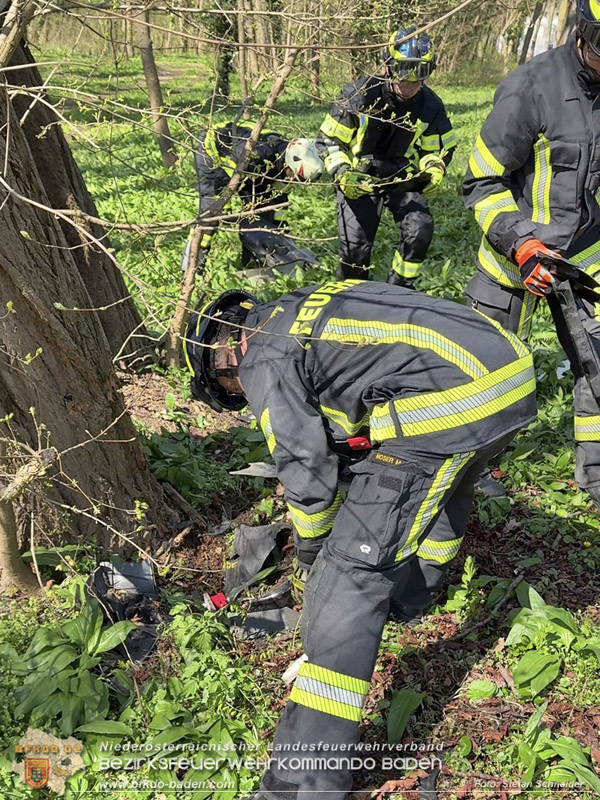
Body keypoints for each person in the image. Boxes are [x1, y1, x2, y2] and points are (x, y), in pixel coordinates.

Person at [184, 279, 536, 799]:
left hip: (455, 400)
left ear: (224, 367)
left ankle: (306, 778)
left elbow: (307, 472)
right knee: (447, 486)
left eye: (235, 396)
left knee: (349, 577)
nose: (244, 398)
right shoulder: (296, 309)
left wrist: (313, 551)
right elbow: (349, 399)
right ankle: (412, 598)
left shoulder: (260, 358)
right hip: (508, 373)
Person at [463, 0, 600, 506]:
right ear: (583, 36)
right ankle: (472, 475)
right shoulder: (530, 87)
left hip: (586, 256)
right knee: (485, 376)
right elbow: (480, 181)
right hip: (511, 262)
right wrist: (523, 244)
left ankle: (596, 479)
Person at [316, 26, 456, 286]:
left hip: (402, 176)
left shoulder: (430, 106)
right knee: (355, 250)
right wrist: (343, 174)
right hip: (359, 177)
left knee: (419, 229)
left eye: (420, 73)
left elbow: (437, 149)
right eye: (404, 70)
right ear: (388, 66)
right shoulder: (358, 97)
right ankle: (351, 300)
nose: (410, 82)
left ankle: (400, 292)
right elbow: (329, 142)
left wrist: (435, 168)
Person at [182, 121, 323, 274]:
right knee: (210, 216)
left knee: (262, 214)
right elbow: (226, 178)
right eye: (295, 177)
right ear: (289, 164)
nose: (293, 181)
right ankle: (190, 269)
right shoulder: (258, 154)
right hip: (214, 153)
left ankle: (254, 263)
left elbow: (279, 203)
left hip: (251, 168)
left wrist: (281, 234)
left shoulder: (286, 168)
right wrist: (224, 208)